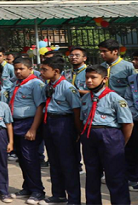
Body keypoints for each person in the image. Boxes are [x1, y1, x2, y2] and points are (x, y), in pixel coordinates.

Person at [80, 65, 133, 205]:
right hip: (90, 136)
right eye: (87, 78)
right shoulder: (85, 98)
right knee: (91, 173)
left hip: (110, 136)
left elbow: (128, 124)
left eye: (93, 78)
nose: (89, 81)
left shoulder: (115, 98)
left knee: (115, 175)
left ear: (104, 79)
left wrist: (121, 143)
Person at [39, 56, 82, 205]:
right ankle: (58, 194)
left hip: (64, 123)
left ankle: (74, 198)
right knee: (54, 160)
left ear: (56, 71)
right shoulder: (48, 86)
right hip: (50, 122)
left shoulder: (67, 87)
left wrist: (77, 131)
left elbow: (76, 110)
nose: (41, 72)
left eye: (45, 70)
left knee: (67, 162)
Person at [10, 57, 46, 204]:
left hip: (28, 123)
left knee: (30, 158)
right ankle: (28, 187)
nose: (18, 72)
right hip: (16, 124)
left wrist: (33, 128)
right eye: (16, 69)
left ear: (30, 69)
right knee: (22, 158)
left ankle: (38, 190)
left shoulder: (36, 84)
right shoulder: (16, 83)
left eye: (21, 69)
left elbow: (40, 106)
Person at [125, 50, 138, 191]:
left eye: (137, 59)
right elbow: (128, 99)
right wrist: (137, 116)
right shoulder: (133, 78)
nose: (133, 61)